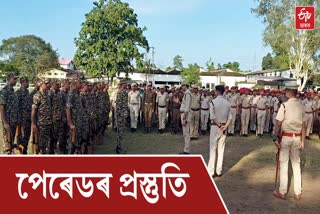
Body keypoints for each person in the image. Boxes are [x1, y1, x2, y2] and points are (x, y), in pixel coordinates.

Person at [273, 82, 306, 201]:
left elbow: (278, 123)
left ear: (288, 93)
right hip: (297, 138)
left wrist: (274, 137)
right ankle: (298, 192)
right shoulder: (302, 106)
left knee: (284, 164)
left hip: (286, 138)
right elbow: (304, 126)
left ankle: (282, 191)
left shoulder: (284, 106)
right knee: (296, 165)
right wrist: (303, 141)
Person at [208, 85, 232, 177]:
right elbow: (230, 117)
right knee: (221, 149)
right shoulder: (227, 103)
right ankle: (219, 170)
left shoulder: (213, 102)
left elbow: (213, 117)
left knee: (213, 149)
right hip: (223, 127)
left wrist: (219, 125)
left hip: (215, 126)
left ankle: (211, 171)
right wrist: (225, 126)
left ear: (217, 92)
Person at [31, 78, 52, 154]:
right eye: (46, 84)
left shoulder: (48, 94)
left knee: (46, 145)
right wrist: (33, 124)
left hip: (48, 123)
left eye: (48, 83)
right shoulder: (37, 95)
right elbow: (33, 111)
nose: (48, 85)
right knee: (40, 146)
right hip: (41, 124)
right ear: (41, 84)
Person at [0, 73, 19, 154]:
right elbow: (1, 108)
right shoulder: (4, 91)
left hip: (13, 121)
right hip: (8, 122)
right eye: (14, 79)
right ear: (9, 79)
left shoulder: (13, 91)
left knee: (11, 143)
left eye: (16, 79)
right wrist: (5, 123)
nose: (16, 80)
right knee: (7, 146)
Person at [16, 76, 32, 154]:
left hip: (28, 119)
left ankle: (25, 150)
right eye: (27, 81)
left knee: (27, 136)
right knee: (21, 137)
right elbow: (17, 108)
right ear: (22, 82)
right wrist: (19, 121)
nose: (28, 83)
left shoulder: (27, 92)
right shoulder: (18, 93)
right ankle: (21, 152)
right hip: (22, 120)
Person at [115, 80, 128, 154]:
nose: (126, 85)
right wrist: (122, 114)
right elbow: (120, 105)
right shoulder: (122, 92)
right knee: (120, 132)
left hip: (121, 114)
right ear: (122, 84)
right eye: (125, 84)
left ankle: (119, 147)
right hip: (121, 115)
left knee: (121, 131)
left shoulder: (122, 92)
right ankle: (119, 148)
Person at [179, 83, 192, 154]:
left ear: (185, 86)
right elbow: (185, 104)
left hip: (185, 114)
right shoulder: (186, 94)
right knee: (185, 133)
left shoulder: (187, 94)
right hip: (184, 113)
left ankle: (187, 150)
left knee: (186, 133)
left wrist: (184, 117)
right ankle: (186, 149)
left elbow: (187, 107)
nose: (182, 87)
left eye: (183, 86)